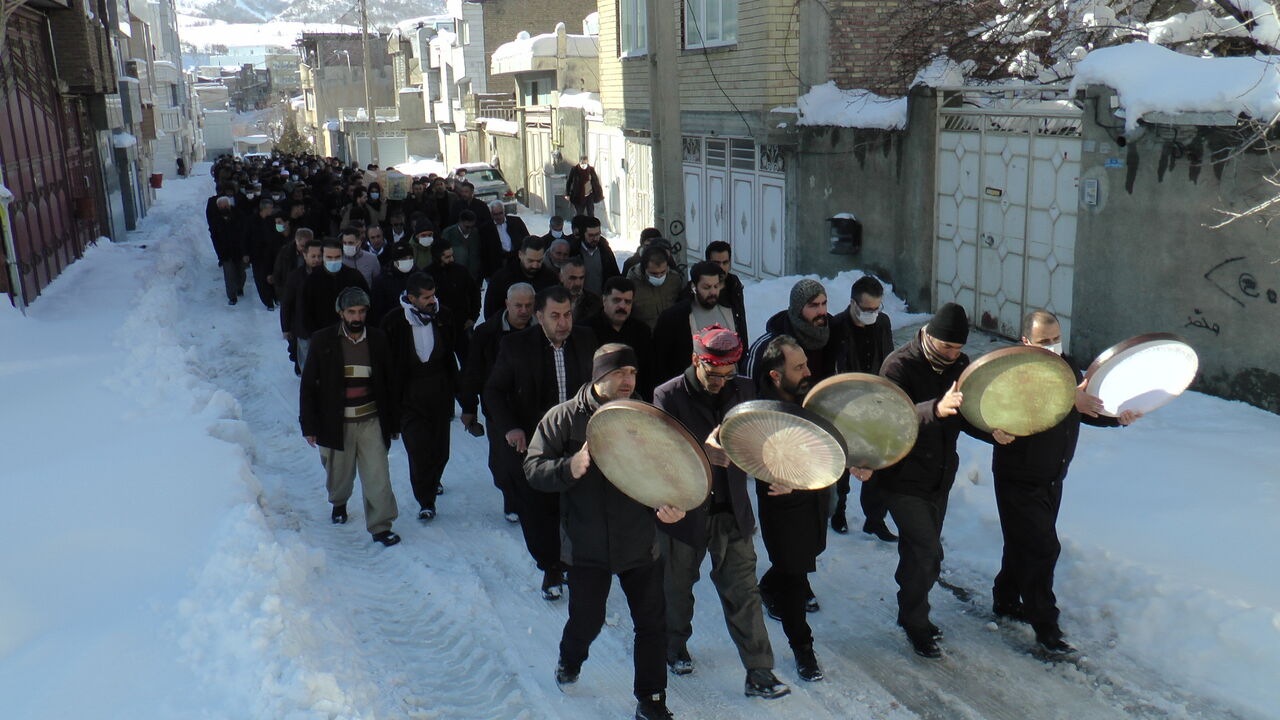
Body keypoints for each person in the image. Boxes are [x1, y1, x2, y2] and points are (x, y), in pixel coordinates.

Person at [524, 343, 685, 720]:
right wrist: (570, 466)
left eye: (632, 372)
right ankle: (570, 658)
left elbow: (671, 471)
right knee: (588, 619)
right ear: (598, 376)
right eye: (618, 373)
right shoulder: (563, 419)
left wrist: (673, 504)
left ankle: (652, 699)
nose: (628, 380)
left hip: (639, 543)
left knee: (651, 623)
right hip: (586, 547)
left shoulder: (647, 418)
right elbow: (533, 469)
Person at [990, 310, 1140, 654]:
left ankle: (1006, 599)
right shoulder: (1016, 370)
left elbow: (1085, 409)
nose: (1053, 346)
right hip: (1019, 477)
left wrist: (1117, 418)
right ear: (1026, 341)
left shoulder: (1068, 367)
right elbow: (1027, 409)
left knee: (1021, 543)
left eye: (1056, 338)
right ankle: (1046, 628)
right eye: (1045, 341)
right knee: (1043, 548)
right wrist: (1071, 398)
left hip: (1052, 477)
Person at [652, 327, 790, 700]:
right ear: (697, 361)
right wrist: (703, 452)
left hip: (732, 511)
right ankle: (674, 646)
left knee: (744, 592)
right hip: (684, 513)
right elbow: (662, 454)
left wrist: (779, 473)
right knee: (677, 589)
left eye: (728, 374)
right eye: (714, 374)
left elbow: (762, 441)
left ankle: (759, 671)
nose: (721, 382)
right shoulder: (668, 395)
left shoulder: (744, 390)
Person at [878, 302, 1009, 658]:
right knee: (926, 552)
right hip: (900, 477)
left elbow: (963, 413)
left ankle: (910, 609)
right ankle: (916, 622)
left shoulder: (961, 366)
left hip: (939, 476)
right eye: (947, 347)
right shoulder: (898, 365)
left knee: (920, 553)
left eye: (959, 348)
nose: (953, 355)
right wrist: (935, 408)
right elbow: (892, 419)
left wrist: (990, 432)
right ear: (928, 335)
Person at [484, 287, 598, 601]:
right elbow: (493, 391)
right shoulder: (515, 346)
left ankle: (577, 565)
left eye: (567, 315)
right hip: (536, 443)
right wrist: (511, 428)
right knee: (539, 510)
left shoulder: (587, 340)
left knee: (580, 508)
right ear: (539, 317)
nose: (563, 323)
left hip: (578, 440)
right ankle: (551, 567)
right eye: (555, 316)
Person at [743, 334, 837, 682]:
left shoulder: (812, 400)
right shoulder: (761, 412)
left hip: (813, 498)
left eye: (806, 363)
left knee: (804, 557)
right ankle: (803, 650)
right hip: (782, 505)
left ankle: (769, 586)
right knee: (795, 576)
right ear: (775, 376)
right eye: (799, 367)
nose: (808, 371)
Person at [299, 286, 402, 547]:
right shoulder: (323, 340)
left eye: (361, 311)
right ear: (341, 313)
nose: (357, 317)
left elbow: (390, 382)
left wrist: (393, 422)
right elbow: (309, 385)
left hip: (371, 421)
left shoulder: (377, 339)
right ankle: (339, 502)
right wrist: (309, 425)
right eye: (351, 312)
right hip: (336, 422)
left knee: (378, 476)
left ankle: (381, 526)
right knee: (339, 475)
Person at [381, 273, 463, 521]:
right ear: (411, 298)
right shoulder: (394, 322)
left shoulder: (444, 317)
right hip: (409, 395)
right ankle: (425, 500)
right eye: (426, 297)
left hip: (439, 391)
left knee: (440, 451)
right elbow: (386, 365)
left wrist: (461, 391)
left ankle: (433, 479)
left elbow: (453, 354)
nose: (431, 300)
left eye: (433, 295)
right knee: (418, 449)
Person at [828, 275, 897, 539]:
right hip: (844, 404)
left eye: (876, 308)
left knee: (877, 461)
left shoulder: (883, 323)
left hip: (874, 402)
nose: (872, 314)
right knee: (844, 460)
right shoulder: (836, 326)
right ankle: (839, 511)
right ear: (853, 304)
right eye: (867, 309)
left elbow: (888, 357)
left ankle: (875, 519)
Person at [463, 283, 535, 523]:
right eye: (518, 305)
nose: (523, 311)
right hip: (498, 406)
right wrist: (469, 407)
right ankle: (511, 497)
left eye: (528, 306)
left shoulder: (541, 329)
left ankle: (527, 500)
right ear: (507, 304)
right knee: (503, 461)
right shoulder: (487, 333)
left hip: (532, 404)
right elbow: (473, 370)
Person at [652, 261, 748, 384]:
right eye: (706, 287)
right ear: (694, 286)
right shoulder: (675, 317)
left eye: (716, 286)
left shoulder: (731, 310)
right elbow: (662, 362)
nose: (713, 292)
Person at [589, 276, 654, 399]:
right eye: (616, 300)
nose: (622, 306)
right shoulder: (587, 330)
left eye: (627, 302)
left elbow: (647, 373)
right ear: (604, 300)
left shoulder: (642, 331)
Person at [482, 235, 559, 320]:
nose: (535, 265)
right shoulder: (501, 279)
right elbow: (490, 313)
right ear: (520, 255)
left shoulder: (551, 279)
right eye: (530, 260)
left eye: (539, 261)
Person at [302, 242, 370, 337]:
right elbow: (305, 311)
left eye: (337, 257)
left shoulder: (354, 276)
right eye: (329, 257)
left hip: (352, 333)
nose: (333, 260)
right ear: (323, 257)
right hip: (322, 335)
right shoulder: (312, 280)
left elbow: (367, 304)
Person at [281, 239, 324, 373]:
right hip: (303, 328)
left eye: (319, 256)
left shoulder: (327, 275)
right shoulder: (295, 277)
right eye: (313, 256)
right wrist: (286, 327)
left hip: (323, 326)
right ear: (305, 255)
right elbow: (287, 303)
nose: (316, 259)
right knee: (307, 363)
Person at [428, 240, 482, 337]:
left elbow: (475, 293)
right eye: (447, 257)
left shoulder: (461, 271)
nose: (452, 259)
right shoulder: (427, 275)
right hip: (438, 327)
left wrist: (473, 317)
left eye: (452, 255)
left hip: (463, 325)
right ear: (437, 258)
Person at [626, 244, 685, 331]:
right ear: (644, 269)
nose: (659, 276)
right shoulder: (632, 282)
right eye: (653, 273)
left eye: (662, 272)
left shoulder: (674, 279)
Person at [704, 241, 749, 342]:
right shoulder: (697, 290)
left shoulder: (734, 284)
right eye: (716, 263)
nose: (721, 267)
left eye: (725, 262)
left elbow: (741, 321)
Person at [208, 195, 247, 305]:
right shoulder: (216, 220)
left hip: (239, 249)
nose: (224, 208)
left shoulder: (239, 215)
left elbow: (245, 232)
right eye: (222, 206)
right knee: (229, 274)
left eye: (226, 205)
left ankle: (240, 286)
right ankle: (232, 296)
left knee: (241, 272)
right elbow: (214, 237)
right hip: (225, 251)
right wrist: (219, 252)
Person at [247, 198, 285, 309]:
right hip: (257, 254)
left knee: (273, 275)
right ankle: (267, 301)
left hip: (272, 253)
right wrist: (246, 253)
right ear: (265, 208)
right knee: (261, 279)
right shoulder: (251, 220)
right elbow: (246, 237)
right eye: (270, 208)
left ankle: (276, 297)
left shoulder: (272, 220)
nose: (272, 210)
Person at [568, 215, 619, 296]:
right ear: (583, 234)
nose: (595, 239)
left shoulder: (605, 251)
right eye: (591, 235)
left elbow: (614, 276)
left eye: (597, 234)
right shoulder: (573, 251)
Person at [369, 244, 418, 325]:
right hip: (392, 324)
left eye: (410, 258)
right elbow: (377, 310)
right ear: (395, 260)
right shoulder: (381, 281)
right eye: (403, 258)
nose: (408, 261)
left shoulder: (419, 276)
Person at [442, 210, 487, 282]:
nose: (469, 229)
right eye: (467, 227)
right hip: (455, 276)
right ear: (460, 222)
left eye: (472, 227)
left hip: (473, 276)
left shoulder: (476, 232)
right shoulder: (448, 233)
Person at [481, 200, 529, 267]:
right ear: (491, 214)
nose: (498, 217)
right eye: (495, 214)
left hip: (517, 258)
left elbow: (527, 239)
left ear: (504, 212)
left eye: (500, 213)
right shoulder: (486, 228)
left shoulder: (516, 222)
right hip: (499, 262)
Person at [559, 256, 603, 324]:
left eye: (581, 278)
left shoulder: (595, 302)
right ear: (561, 277)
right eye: (572, 278)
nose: (578, 283)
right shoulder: (550, 299)